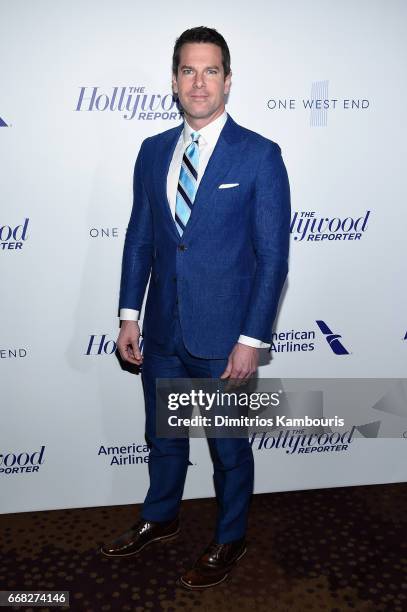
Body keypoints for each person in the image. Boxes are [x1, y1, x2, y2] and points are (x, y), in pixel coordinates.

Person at [100, 26, 291, 590]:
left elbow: (273, 258)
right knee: (163, 437)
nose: (199, 82)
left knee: (228, 448)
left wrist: (252, 340)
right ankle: (161, 517)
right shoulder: (153, 150)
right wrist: (129, 315)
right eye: (188, 70)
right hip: (160, 330)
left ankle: (231, 535)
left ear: (227, 81)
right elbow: (140, 238)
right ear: (175, 82)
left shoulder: (259, 155)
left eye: (210, 71)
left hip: (225, 338)